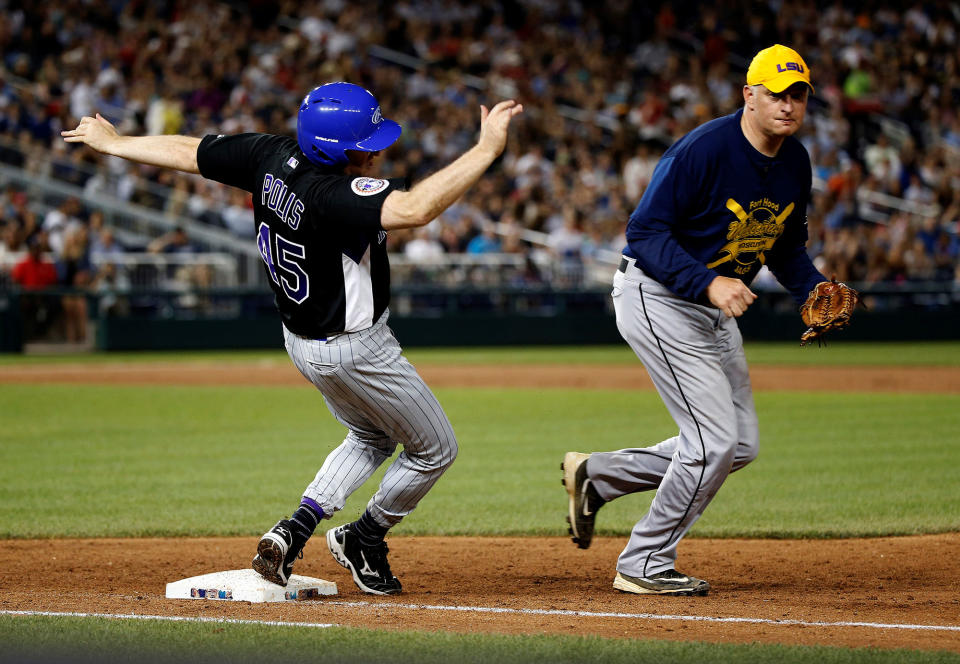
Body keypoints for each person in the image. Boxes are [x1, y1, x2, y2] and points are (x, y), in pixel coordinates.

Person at [63, 81, 523, 595]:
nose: (376, 153)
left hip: (301, 342)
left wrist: (116, 142)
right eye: (364, 146)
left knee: (372, 437)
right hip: (358, 349)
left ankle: (293, 531)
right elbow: (414, 209)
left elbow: (191, 151)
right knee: (435, 449)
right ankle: (364, 536)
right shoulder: (332, 194)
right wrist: (486, 149)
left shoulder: (269, 155)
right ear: (333, 151)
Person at [561, 45, 825, 596]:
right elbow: (644, 233)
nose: (787, 104)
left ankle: (598, 475)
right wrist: (707, 281)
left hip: (712, 306)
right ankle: (644, 562)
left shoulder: (795, 162)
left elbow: (786, 247)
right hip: (657, 296)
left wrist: (814, 289)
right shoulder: (704, 149)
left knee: (739, 444)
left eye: (797, 94)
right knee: (711, 444)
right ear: (748, 95)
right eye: (776, 92)